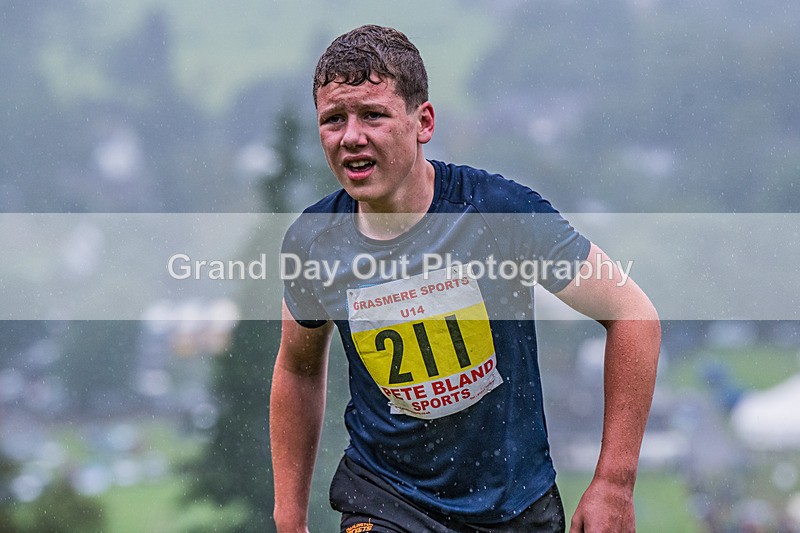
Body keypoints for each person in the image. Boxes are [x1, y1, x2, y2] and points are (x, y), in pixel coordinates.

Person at [270, 24, 660, 533]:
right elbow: (297, 369)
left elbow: (633, 315)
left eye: (373, 115)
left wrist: (613, 483)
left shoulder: (500, 213)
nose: (351, 137)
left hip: (512, 508)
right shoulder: (313, 240)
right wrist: (289, 517)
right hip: (384, 501)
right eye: (333, 119)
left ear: (423, 121)